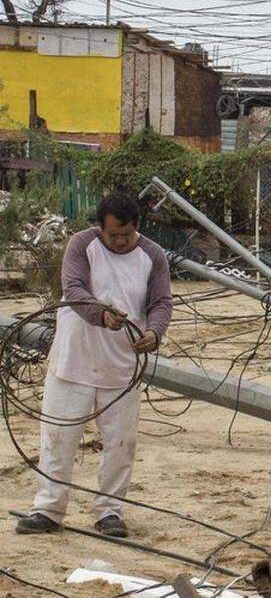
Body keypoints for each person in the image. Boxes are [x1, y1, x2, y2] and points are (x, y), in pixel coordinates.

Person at [17, 194, 171, 538]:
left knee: (119, 445)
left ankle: (109, 511)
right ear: (100, 227)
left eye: (127, 234)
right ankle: (48, 508)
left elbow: (161, 302)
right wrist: (100, 314)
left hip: (122, 367)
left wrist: (154, 331)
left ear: (137, 227)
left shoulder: (152, 256)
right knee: (59, 438)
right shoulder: (81, 245)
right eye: (113, 234)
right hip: (74, 360)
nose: (120, 241)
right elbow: (73, 289)